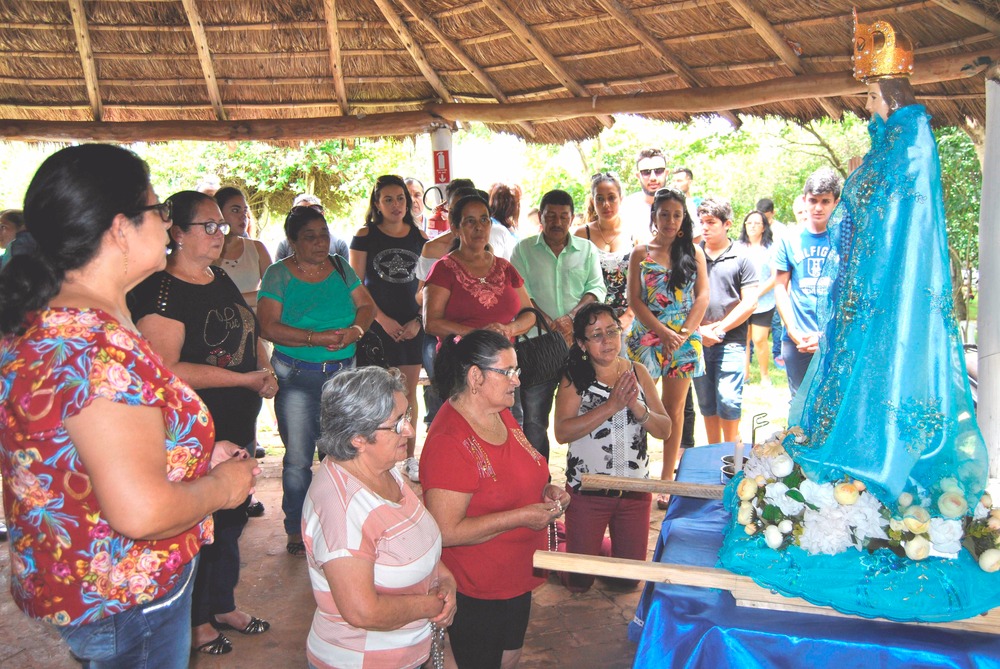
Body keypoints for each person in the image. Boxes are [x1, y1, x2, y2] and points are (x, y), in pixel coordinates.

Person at [0, 144, 257, 667]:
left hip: (93, 580)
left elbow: (83, 448)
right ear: (119, 228)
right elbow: (141, 512)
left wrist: (188, 456)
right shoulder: (93, 344)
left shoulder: (60, 317)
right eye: (159, 211)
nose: (167, 226)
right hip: (127, 591)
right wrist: (221, 488)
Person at [130, 190, 275, 655]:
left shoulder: (217, 277)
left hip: (237, 419)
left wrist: (262, 368)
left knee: (230, 520)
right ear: (177, 233)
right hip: (192, 434)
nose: (221, 233)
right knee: (198, 524)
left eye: (222, 225)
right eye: (208, 226)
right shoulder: (161, 291)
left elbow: (247, 326)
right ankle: (196, 623)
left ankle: (223, 603)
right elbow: (166, 368)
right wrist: (243, 379)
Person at [420, 330, 571, 669]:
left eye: (517, 371)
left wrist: (545, 491)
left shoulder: (498, 412)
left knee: (509, 657)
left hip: (514, 574)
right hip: (478, 585)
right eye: (508, 372)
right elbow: (444, 531)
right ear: (475, 376)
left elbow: (517, 472)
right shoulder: (449, 440)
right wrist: (520, 517)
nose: (517, 381)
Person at [303, 366, 457, 669]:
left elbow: (411, 541)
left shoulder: (382, 470)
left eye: (408, 415)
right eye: (397, 424)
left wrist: (446, 581)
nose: (410, 430)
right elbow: (363, 612)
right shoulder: (342, 508)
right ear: (358, 437)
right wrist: (434, 605)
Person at [258, 205, 376, 557]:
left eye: (323, 234)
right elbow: (267, 325)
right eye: (309, 237)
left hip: (343, 376)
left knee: (344, 453)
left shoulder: (340, 267)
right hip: (297, 376)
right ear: (292, 241)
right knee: (298, 458)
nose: (319, 242)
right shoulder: (279, 275)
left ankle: (341, 521)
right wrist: (313, 338)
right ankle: (296, 526)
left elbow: (366, 306)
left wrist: (356, 329)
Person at [553, 303, 670, 592]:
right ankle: (559, 542)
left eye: (612, 331)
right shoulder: (574, 378)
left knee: (627, 582)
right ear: (581, 343)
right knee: (579, 582)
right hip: (589, 491)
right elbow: (561, 432)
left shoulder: (638, 372)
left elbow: (664, 429)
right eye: (596, 335)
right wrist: (611, 406)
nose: (607, 340)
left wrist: (636, 407)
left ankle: (597, 549)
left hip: (634, 493)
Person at [626, 187, 708, 509]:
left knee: (675, 410)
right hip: (647, 336)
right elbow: (634, 298)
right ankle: (634, 472)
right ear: (654, 216)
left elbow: (702, 296)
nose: (671, 220)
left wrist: (683, 332)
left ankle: (666, 479)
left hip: (684, 340)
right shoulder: (639, 253)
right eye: (664, 214)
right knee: (639, 408)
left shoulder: (695, 252)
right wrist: (661, 331)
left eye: (677, 214)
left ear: (683, 217)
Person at [511, 189, 606, 460]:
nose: (557, 222)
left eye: (563, 216)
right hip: (537, 346)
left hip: (578, 345)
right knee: (533, 419)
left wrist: (572, 317)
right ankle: (536, 478)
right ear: (540, 217)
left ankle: (583, 475)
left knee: (586, 413)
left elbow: (596, 288)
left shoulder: (586, 249)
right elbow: (521, 293)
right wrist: (548, 322)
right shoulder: (524, 249)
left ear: (572, 218)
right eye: (550, 215)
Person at [350, 175, 428, 483]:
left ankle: (409, 458)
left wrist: (417, 322)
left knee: (407, 394)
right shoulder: (365, 235)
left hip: (411, 326)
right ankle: (371, 459)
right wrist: (380, 318)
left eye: (401, 199)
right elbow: (355, 283)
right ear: (376, 203)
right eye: (388, 199)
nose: (396, 205)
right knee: (375, 394)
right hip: (375, 326)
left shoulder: (421, 238)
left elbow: (429, 287)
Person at [693, 197, 759, 443]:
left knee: (729, 399)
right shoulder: (692, 255)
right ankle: (713, 452)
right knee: (706, 402)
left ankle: (732, 454)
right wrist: (699, 331)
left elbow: (750, 302)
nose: (705, 227)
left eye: (711, 222)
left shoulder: (742, 257)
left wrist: (718, 329)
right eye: (702, 222)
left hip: (731, 340)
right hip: (698, 339)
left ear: (727, 223)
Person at [773, 169, 841, 399]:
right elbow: (780, 287)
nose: (818, 208)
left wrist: (825, 334)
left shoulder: (846, 238)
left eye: (825, 201)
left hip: (835, 336)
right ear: (804, 200)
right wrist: (792, 330)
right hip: (798, 338)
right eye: (813, 201)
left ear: (836, 202)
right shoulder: (789, 239)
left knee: (833, 403)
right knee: (799, 404)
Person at [574, 172, 636, 334]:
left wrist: (628, 316)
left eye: (611, 197)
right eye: (600, 198)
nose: (606, 204)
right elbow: (575, 281)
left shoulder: (634, 235)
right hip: (592, 321)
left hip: (628, 321)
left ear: (621, 199)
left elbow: (643, 282)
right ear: (593, 201)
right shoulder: (582, 235)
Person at [213, 186, 274, 311]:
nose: (243, 217)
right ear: (218, 213)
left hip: (255, 324)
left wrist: (230, 300)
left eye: (245, 211)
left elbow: (274, 292)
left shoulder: (257, 249)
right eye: (235, 210)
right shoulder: (207, 251)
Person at [738, 210, 777, 385]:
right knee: (743, 338)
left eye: (757, 223)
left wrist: (756, 293)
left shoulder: (771, 248)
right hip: (742, 301)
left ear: (764, 227)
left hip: (764, 302)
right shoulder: (738, 247)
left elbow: (775, 276)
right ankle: (744, 375)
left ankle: (764, 375)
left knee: (759, 339)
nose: (752, 226)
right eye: (749, 223)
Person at [274, 194, 350, 261]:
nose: (319, 242)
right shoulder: (284, 245)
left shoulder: (339, 245)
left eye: (313, 213)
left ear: (322, 214)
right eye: (309, 237)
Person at [670, 167, 704, 244]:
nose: (675, 184)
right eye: (673, 181)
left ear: (690, 182)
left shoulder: (698, 204)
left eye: (679, 181)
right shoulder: (668, 205)